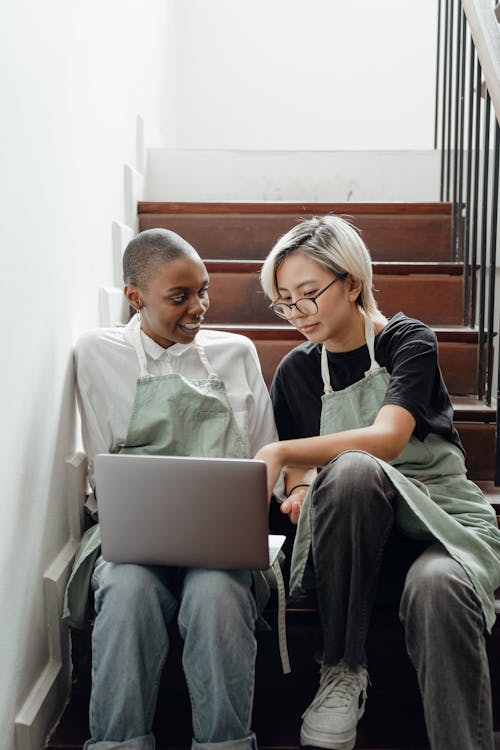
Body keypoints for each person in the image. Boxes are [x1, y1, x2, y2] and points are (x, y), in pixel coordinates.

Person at [255, 214, 500, 750]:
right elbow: (301, 472)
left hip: (440, 521)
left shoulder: (408, 342)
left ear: (352, 283)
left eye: (308, 294)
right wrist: (297, 489)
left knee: (438, 586)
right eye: (283, 301)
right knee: (351, 474)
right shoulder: (297, 371)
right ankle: (342, 667)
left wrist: (276, 452)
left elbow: (387, 440)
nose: (296, 312)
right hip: (357, 539)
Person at [62, 228, 281, 750]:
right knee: (126, 588)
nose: (198, 307)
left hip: (223, 539)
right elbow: (98, 467)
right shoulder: (96, 352)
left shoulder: (236, 352)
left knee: (217, 593)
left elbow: (265, 456)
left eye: (203, 290)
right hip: (129, 534)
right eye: (179, 297)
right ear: (133, 298)